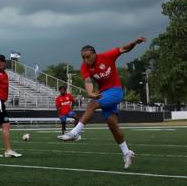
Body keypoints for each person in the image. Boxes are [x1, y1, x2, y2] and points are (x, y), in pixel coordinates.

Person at [58, 37, 146, 169]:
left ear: (94, 54)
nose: (85, 60)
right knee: (112, 124)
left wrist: (134, 43)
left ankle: (75, 132)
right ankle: (127, 153)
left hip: (115, 91)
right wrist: (90, 92)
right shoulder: (84, 67)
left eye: (88, 57)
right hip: (103, 93)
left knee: (92, 104)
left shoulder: (106, 56)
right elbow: (87, 81)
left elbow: (124, 49)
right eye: (83, 58)